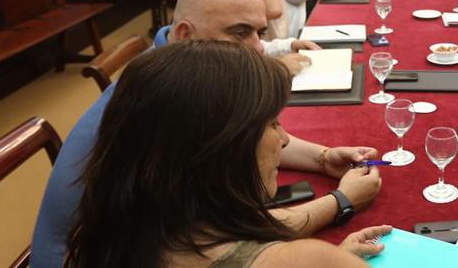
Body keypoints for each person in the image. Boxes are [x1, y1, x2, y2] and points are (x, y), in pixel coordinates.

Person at [30, 0, 383, 268]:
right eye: (241, 33)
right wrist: (341, 202)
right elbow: (216, 235)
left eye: (260, 33)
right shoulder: (152, 113)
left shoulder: (162, 84)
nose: (259, 48)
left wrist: (322, 157)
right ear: (185, 33)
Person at [65, 40, 392, 267]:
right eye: (271, 123)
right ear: (220, 147)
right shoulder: (311, 261)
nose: (283, 140)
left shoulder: (110, 232)